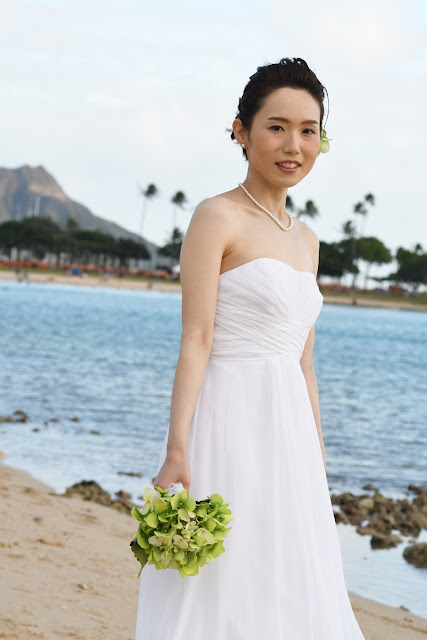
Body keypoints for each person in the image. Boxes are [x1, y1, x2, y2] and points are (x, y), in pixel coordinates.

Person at [135, 57, 366, 639]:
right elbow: (197, 338)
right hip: (228, 420)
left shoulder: (308, 241)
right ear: (241, 130)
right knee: (226, 580)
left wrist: (317, 459)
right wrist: (177, 450)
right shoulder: (217, 216)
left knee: (290, 579)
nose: (294, 145)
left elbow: (304, 364)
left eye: (309, 130)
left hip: (289, 431)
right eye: (277, 126)